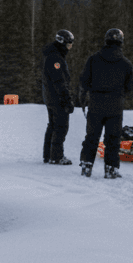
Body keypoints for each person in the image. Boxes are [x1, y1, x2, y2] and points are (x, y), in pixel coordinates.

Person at [79, 28, 133, 178]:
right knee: (113, 139)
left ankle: (86, 165)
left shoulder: (93, 59)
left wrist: (86, 94)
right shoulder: (125, 63)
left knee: (92, 136)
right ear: (121, 42)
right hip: (115, 106)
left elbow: (84, 81)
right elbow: (131, 86)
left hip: (96, 103)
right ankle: (111, 169)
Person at [41, 29, 76, 165]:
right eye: (69, 44)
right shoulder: (55, 58)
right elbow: (59, 81)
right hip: (56, 98)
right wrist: (66, 99)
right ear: (62, 43)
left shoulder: (53, 55)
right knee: (61, 126)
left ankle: (48, 155)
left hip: (50, 97)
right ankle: (56, 156)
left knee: (53, 125)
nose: (70, 47)